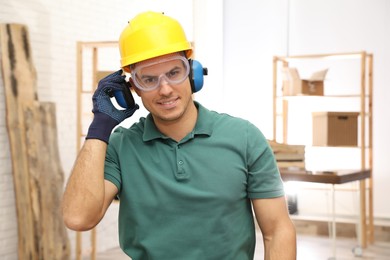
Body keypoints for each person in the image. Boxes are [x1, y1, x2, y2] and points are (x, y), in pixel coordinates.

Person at [62, 11, 296, 260]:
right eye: (149, 79)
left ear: (193, 74)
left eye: (174, 73)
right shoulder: (121, 145)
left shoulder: (245, 137)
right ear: (133, 88)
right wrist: (100, 127)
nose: (165, 89)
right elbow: (78, 218)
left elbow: (277, 230)